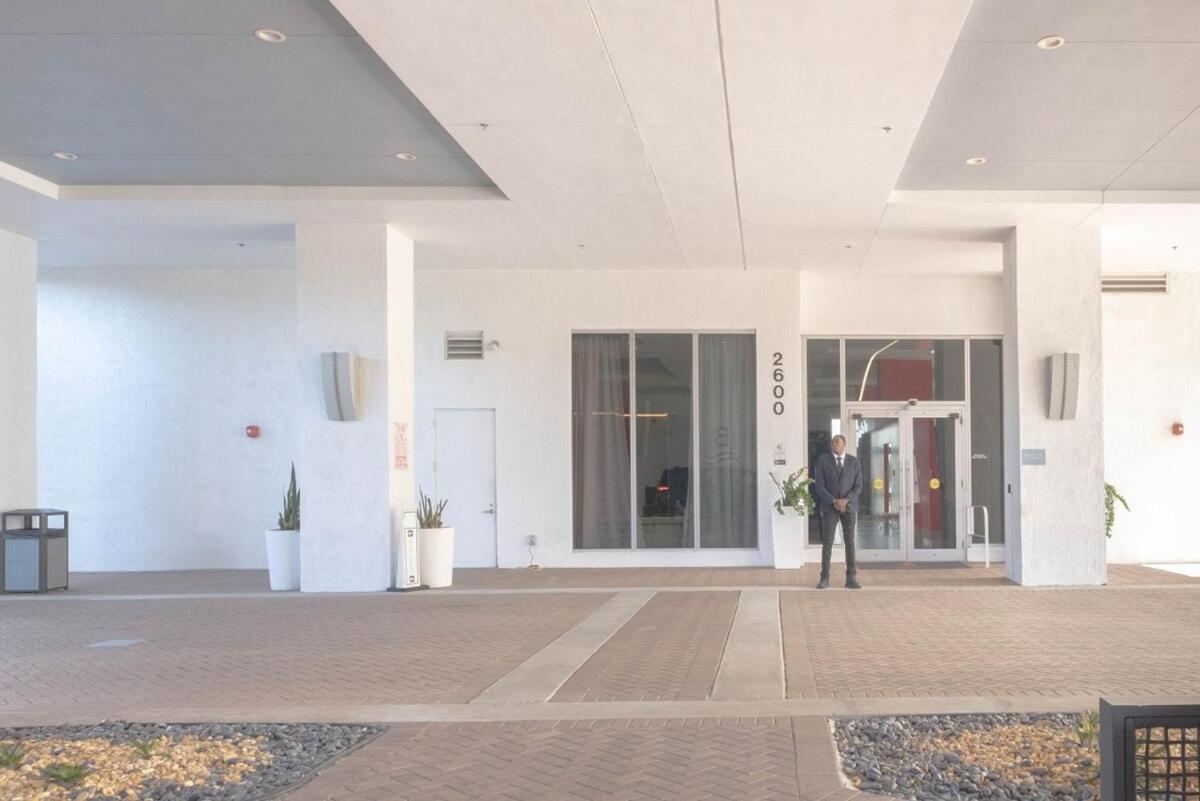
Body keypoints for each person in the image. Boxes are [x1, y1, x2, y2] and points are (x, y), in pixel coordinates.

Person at [812, 434, 862, 589]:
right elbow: (819, 486)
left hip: (849, 506)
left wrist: (846, 500)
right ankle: (824, 578)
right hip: (829, 507)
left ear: (844, 444)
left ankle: (851, 578)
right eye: (833, 442)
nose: (834, 444)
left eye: (837, 442)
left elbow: (858, 485)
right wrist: (833, 501)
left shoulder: (854, 462)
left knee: (849, 542)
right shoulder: (823, 461)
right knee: (827, 543)